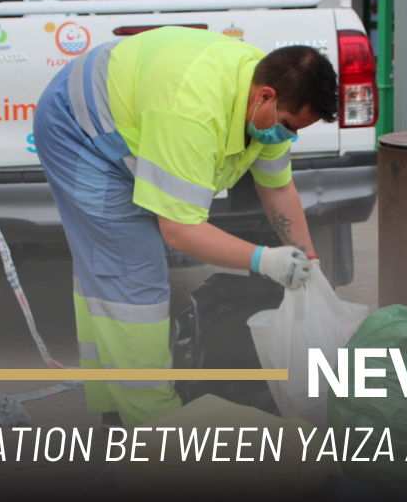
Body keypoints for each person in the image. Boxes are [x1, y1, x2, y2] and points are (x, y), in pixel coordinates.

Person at [32, 26, 338, 428]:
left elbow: (278, 188)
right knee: (131, 273)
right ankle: (153, 422)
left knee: (113, 266)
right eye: (286, 125)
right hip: (80, 128)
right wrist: (267, 260)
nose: (286, 136)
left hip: (131, 119)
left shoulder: (268, 99)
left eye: (294, 130)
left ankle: (113, 403)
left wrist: (309, 260)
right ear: (265, 96)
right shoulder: (194, 110)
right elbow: (179, 229)